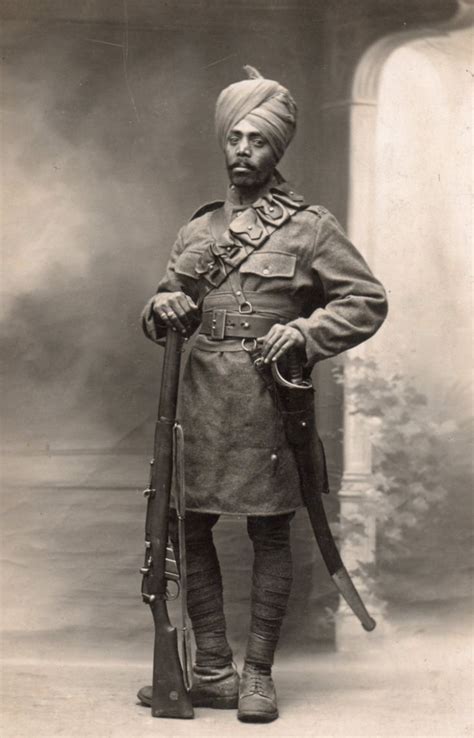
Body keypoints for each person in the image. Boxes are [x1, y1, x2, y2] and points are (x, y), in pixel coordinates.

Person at [137, 66, 388, 723]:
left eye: (257, 140)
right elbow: (167, 305)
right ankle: (213, 670)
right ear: (223, 144)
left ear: (277, 149)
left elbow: (366, 301)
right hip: (196, 405)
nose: (243, 149)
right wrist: (161, 304)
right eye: (235, 138)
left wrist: (305, 332)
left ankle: (257, 676)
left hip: (265, 403)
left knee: (269, 535)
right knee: (189, 532)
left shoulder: (309, 228)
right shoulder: (198, 230)